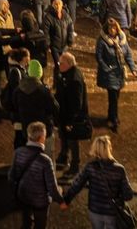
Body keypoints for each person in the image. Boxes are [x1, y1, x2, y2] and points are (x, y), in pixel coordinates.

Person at [60, 135, 135, 229]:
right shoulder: (119, 169)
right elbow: (129, 195)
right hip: (111, 212)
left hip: (95, 210)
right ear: (109, 148)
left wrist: (66, 201)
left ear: (94, 148)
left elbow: (77, 185)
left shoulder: (90, 167)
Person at [10, 121, 63, 229]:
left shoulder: (18, 152)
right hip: (40, 201)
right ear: (42, 138)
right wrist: (61, 200)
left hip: (23, 196)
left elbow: (12, 176)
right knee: (40, 225)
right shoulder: (45, 160)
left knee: (26, 223)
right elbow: (52, 188)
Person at [95, 18, 137, 132]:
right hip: (110, 73)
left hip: (120, 73)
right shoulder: (103, 41)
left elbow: (128, 55)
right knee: (113, 97)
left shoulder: (122, 41)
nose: (112, 30)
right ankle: (114, 120)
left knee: (115, 97)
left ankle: (111, 115)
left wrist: (133, 68)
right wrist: (106, 68)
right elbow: (99, 56)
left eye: (114, 28)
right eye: (110, 28)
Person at [53, 52, 89, 180]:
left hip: (72, 117)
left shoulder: (74, 79)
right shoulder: (66, 74)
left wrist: (71, 121)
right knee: (64, 136)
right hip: (64, 114)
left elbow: (76, 103)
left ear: (68, 64)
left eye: (61, 63)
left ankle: (75, 166)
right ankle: (63, 157)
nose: (58, 65)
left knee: (73, 140)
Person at [13, 60, 57, 154]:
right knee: (47, 156)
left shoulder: (19, 90)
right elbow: (55, 108)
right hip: (43, 130)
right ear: (40, 74)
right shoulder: (44, 91)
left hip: (26, 129)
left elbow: (12, 105)